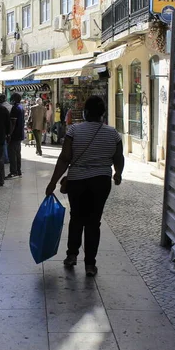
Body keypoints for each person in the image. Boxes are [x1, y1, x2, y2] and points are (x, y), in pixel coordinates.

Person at [45, 96, 124, 277]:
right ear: (102, 115)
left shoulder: (74, 130)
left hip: (77, 181)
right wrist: (118, 173)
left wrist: (53, 182)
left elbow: (65, 158)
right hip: (101, 182)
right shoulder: (113, 133)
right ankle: (90, 264)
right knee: (93, 222)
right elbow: (118, 157)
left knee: (77, 218)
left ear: (85, 113)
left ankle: (72, 255)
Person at [6, 92, 25, 179]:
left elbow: (13, 122)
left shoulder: (15, 108)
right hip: (20, 133)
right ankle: (18, 171)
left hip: (15, 134)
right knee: (18, 153)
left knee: (12, 153)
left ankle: (13, 172)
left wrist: (9, 134)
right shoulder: (21, 107)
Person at [0, 94, 12, 164]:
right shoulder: (11, 106)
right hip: (10, 127)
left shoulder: (1, 107)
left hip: (2, 127)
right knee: (8, 143)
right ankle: (8, 157)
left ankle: (6, 158)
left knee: (4, 144)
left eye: (0, 99)